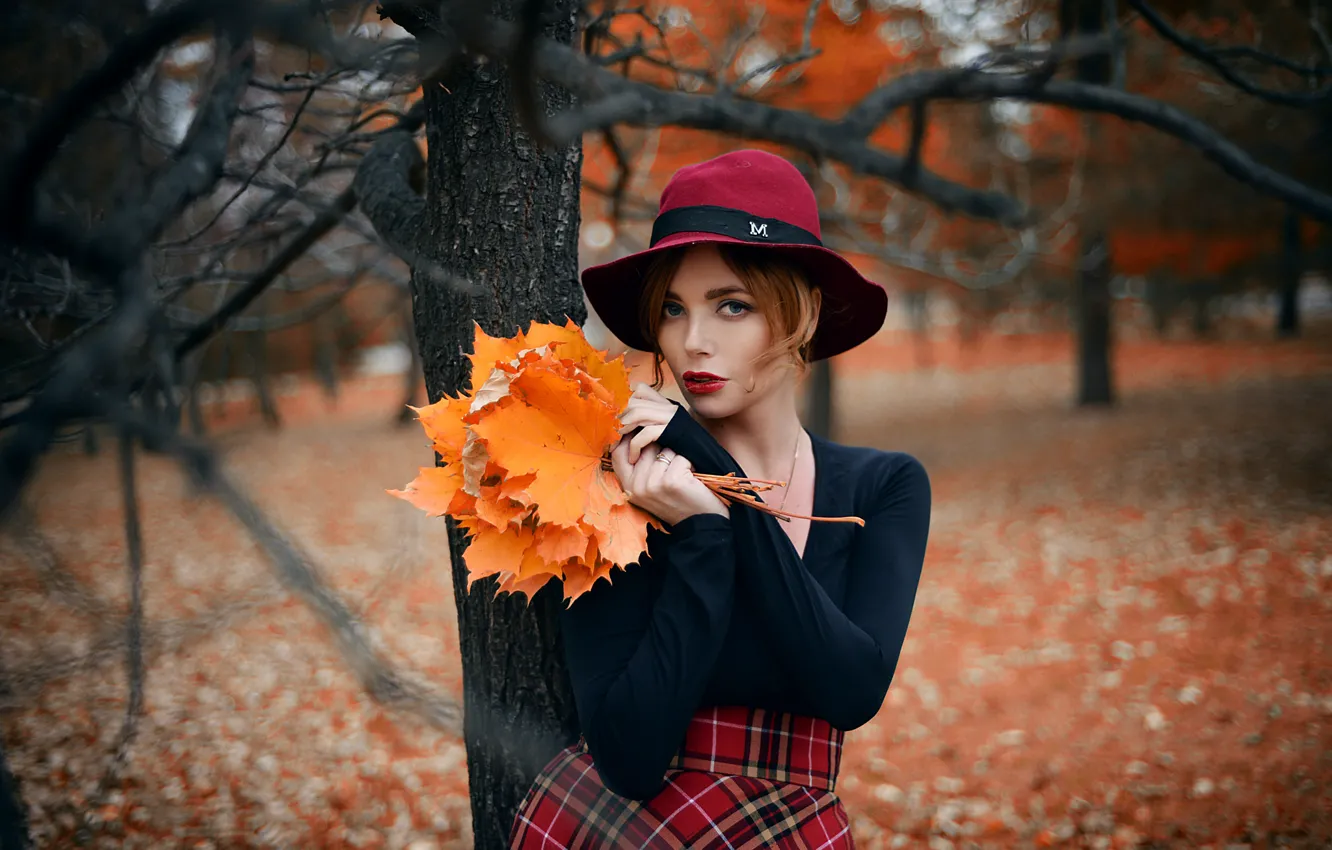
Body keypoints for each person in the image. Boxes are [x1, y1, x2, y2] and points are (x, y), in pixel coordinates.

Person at [509, 149, 932, 849]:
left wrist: (708, 469)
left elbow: (850, 689)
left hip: (792, 830)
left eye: (731, 306)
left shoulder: (882, 486)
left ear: (802, 312)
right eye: (672, 309)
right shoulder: (614, 488)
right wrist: (702, 541)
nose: (693, 342)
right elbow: (629, 758)